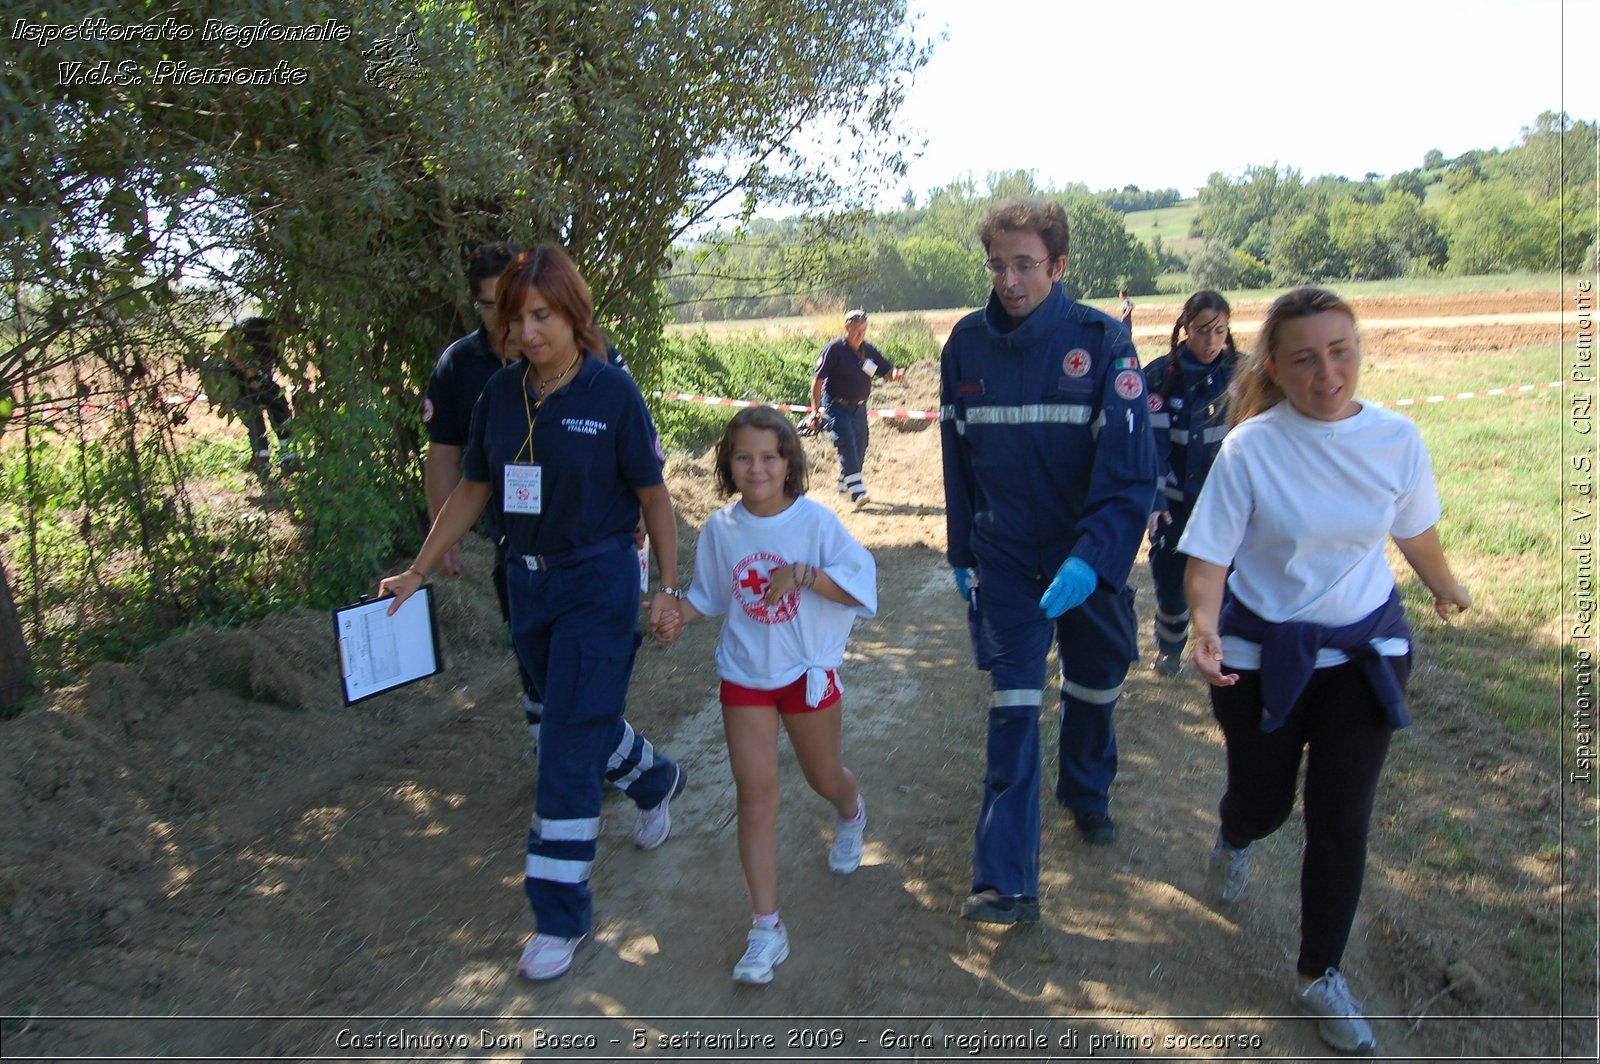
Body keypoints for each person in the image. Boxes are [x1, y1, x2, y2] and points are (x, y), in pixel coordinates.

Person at [380, 244, 689, 982]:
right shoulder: (498, 395)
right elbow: (473, 491)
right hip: (527, 587)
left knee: (564, 745)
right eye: (517, 318)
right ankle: (653, 779)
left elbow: (654, 498)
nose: (528, 331)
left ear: (575, 315)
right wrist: (417, 570)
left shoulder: (613, 394)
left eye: (543, 315)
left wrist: (668, 587)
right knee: (576, 721)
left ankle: (558, 914)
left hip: (598, 581)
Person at [1179, 286, 1470, 1054]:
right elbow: (1208, 556)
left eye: (1341, 351)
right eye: (1305, 358)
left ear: (1359, 350)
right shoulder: (1251, 448)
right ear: (1275, 365)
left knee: (1342, 816)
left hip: (1365, 655)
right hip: (1261, 657)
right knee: (1265, 803)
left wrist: (1443, 585)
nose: (1328, 372)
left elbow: (1416, 530)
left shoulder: (1396, 440)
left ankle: (1319, 973)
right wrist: (1204, 626)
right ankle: (1235, 835)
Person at [939, 196, 1158, 924]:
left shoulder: (1101, 344)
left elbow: (1130, 473)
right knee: (1013, 709)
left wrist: (1093, 560)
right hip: (1005, 563)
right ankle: (1005, 881)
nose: (1009, 279)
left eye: (1025, 264)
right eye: (998, 264)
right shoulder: (964, 347)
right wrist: (963, 552)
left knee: (1094, 688)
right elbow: (956, 460)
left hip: (1085, 560)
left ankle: (1087, 791)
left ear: (1058, 265)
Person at [655, 406, 876, 985]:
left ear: (789, 463)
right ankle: (766, 928)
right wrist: (677, 615)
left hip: (806, 674)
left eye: (769, 457)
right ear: (728, 463)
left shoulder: (815, 523)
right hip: (745, 677)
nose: (757, 468)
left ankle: (850, 814)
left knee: (823, 777)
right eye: (744, 457)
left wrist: (803, 575)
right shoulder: (723, 529)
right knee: (755, 798)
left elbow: (858, 586)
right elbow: (709, 597)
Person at [422, 241, 543, 729]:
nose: (502, 315)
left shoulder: (571, 350)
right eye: (491, 304)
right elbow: (445, 457)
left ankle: (595, 756)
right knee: (529, 646)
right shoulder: (459, 365)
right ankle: (551, 751)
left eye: (510, 300)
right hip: (511, 538)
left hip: (584, 536)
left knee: (585, 659)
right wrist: (441, 534)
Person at [1143, 290, 1238, 676]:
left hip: (1226, 504)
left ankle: (1222, 651)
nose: (1212, 341)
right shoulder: (1159, 378)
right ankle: (1170, 645)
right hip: (1175, 505)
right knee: (1170, 581)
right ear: (1184, 329)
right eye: (1202, 331)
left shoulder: (1242, 374)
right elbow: (1150, 447)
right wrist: (1155, 497)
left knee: (1228, 582)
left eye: (1219, 330)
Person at [807, 309, 905, 507]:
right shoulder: (833, 350)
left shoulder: (868, 350)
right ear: (846, 328)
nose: (860, 334)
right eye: (856, 330)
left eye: (863, 330)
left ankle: (845, 482)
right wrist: (815, 410)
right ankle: (857, 490)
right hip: (836, 406)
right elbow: (817, 381)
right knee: (847, 443)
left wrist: (896, 374)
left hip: (859, 409)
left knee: (861, 445)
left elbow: (887, 372)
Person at [212, 316, 294, 471]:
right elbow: (226, 339)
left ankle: (289, 460)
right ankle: (263, 465)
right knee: (255, 420)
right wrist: (244, 367)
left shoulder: (279, 340)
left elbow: (274, 363)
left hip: (261, 380)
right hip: (238, 382)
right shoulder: (256, 326)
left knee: (281, 408)